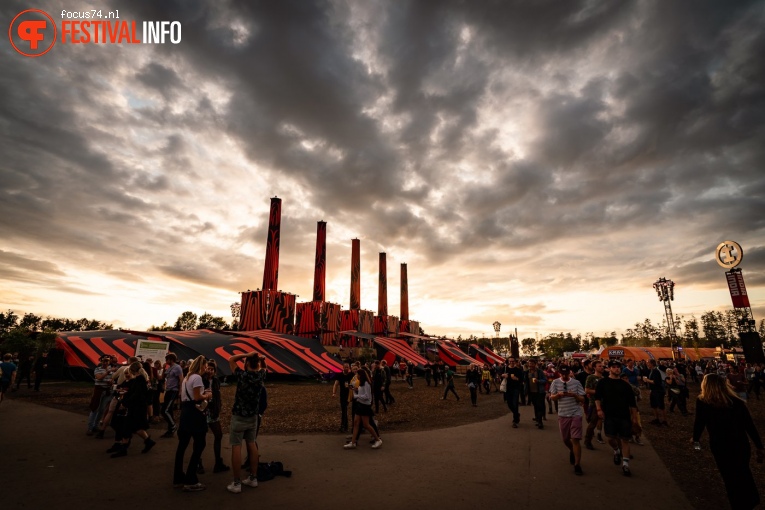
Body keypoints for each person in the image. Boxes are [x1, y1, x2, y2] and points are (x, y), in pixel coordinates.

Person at [692, 373, 764, 510]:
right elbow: (749, 425)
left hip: (720, 445)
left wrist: (696, 439)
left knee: (729, 477)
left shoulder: (703, 402)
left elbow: (699, 423)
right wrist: (759, 446)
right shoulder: (735, 401)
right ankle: (751, 500)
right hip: (740, 444)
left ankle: (737, 504)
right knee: (743, 471)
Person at [226, 351, 267, 494]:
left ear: (247, 363)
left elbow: (231, 359)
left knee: (236, 446)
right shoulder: (261, 376)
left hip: (239, 416)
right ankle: (253, 478)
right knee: (252, 443)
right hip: (253, 417)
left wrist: (246, 354)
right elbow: (264, 368)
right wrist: (261, 360)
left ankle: (237, 482)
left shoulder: (242, 376)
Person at [173, 355, 212, 492]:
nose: (206, 369)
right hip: (195, 414)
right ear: (202, 366)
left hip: (185, 412)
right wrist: (207, 395)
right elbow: (197, 397)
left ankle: (178, 477)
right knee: (200, 444)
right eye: (206, 366)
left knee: (182, 445)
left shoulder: (186, 378)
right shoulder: (197, 378)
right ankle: (191, 478)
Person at [594, 360, 639, 477]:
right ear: (609, 369)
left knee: (625, 440)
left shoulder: (625, 385)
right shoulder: (603, 382)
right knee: (610, 438)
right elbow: (597, 397)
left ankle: (625, 464)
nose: (616, 369)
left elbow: (632, 403)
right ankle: (616, 450)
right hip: (609, 415)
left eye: (618, 367)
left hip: (624, 416)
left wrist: (634, 418)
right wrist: (599, 409)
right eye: (613, 367)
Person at [110, 362, 156, 458]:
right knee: (133, 427)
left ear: (131, 370)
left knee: (133, 427)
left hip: (137, 407)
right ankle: (147, 442)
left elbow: (136, 394)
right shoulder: (142, 379)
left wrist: (125, 402)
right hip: (137, 407)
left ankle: (125, 448)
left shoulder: (139, 380)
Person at [549, 365, 586, 475]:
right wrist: (558, 395)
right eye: (562, 374)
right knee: (565, 439)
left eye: (566, 374)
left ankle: (577, 464)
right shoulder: (555, 382)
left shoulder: (576, 383)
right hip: (563, 413)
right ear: (559, 373)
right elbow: (552, 397)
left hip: (576, 413)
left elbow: (583, 399)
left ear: (570, 372)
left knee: (575, 439)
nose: (564, 376)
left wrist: (574, 395)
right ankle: (571, 450)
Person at [199, 359, 229, 474]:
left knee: (219, 435)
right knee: (201, 438)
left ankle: (218, 463)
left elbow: (217, 396)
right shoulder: (201, 380)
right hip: (203, 411)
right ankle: (198, 463)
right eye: (208, 368)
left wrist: (218, 408)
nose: (210, 371)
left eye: (212, 369)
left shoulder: (216, 381)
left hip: (213, 412)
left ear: (215, 371)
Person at [344, 367, 383, 449]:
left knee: (366, 425)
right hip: (360, 404)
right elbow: (361, 393)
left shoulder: (366, 384)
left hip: (365, 406)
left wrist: (357, 396)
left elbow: (367, 396)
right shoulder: (362, 383)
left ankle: (377, 439)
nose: (356, 375)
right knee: (356, 423)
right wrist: (354, 390)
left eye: (357, 374)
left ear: (360, 375)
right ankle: (353, 442)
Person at [161, 353, 183, 438]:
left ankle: (173, 426)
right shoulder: (169, 368)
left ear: (171, 359)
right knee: (168, 410)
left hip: (173, 391)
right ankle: (170, 429)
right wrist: (163, 368)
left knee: (164, 410)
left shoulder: (177, 367)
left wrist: (180, 391)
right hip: (168, 390)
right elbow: (162, 377)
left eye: (167, 359)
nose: (166, 361)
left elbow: (181, 379)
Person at [643, 359, 668, 426]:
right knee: (654, 405)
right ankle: (657, 419)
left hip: (658, 391)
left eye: (648, 363)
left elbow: (656, 382)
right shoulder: (652, 371)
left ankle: (664, 420)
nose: (647, 364)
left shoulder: (655, 371)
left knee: (661, 406)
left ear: (652, 364)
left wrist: (647, 380)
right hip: (654, 390)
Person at [524, 358, 547, 429]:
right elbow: (525, 382)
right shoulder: (527, 372)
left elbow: (545, 380)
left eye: (532, 364)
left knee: (539, 406)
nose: (531, 365)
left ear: (535, 364)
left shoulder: (539, 372)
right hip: (531, 392)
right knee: (535, 406)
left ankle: (540, 422)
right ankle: (537, 418)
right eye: (529, 364)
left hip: (539, 392)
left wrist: (538, 381)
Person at [332, 363, 353, 432]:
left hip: (351, 394)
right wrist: (334, 393)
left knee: (353, 410)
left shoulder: (351, 375)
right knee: (344, 409)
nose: (347, 368)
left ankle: (352, 426)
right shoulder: (339, 375)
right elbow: (336, 384)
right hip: (343, 394)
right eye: (345, 367)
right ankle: (344, 425)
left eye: (348, 367)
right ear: (343, 368)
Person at [503, 358, 523, 427]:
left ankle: (515, 420)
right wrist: (502, 375)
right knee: (509, 403)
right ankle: (517, 414)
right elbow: (500, 375)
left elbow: (522, 379)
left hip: (516, 388)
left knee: (515, 404)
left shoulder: (518, 370)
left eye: (513, 361)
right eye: (510, 361)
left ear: (515, 362)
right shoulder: (505, 369)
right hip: (508, 388)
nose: (511, 362)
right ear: (508, 362)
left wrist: (517, 379)